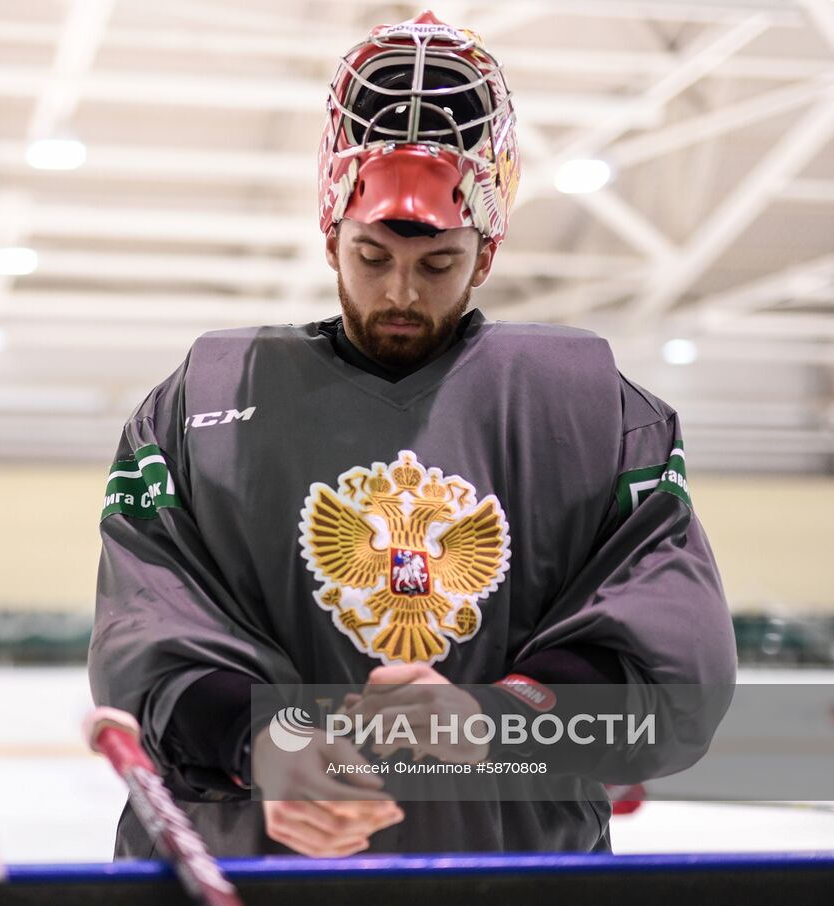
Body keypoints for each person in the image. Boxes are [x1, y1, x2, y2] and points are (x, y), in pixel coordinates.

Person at [89, 10, 736, 858]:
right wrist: (264, 742)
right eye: (371, 256)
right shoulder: (196, 404)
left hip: (506, 872)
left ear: (487, 252)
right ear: (330, 235)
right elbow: (146, 643)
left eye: (438, 265)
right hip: (256, 865)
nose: (400, 293)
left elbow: (673, 663)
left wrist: (502, 719)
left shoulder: (602, 412)